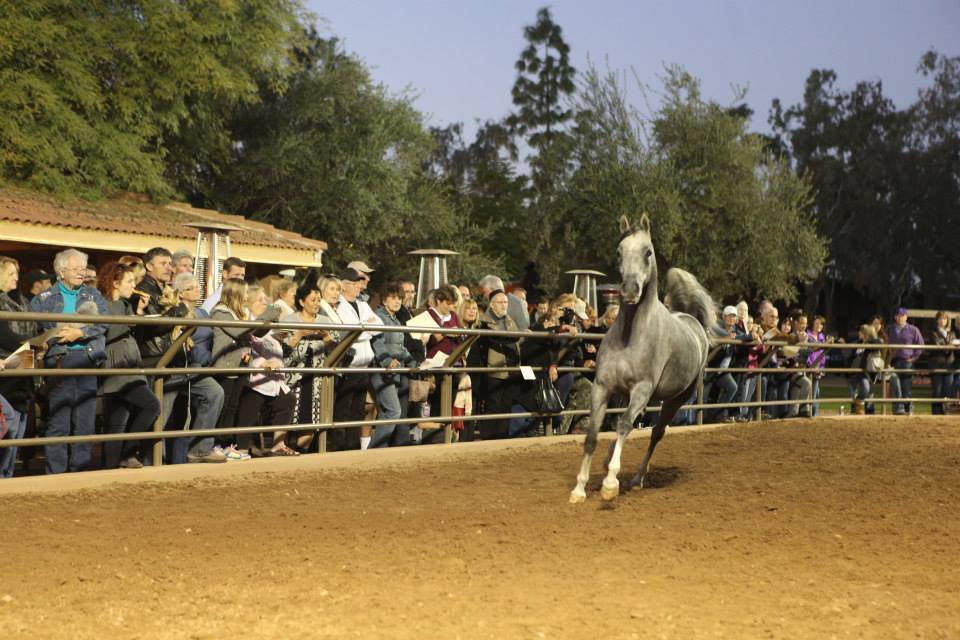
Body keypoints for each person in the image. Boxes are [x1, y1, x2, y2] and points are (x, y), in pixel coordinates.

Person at [30, 249, 109, 474]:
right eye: (75, 269)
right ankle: (55, 473)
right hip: (59, 360)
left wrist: (80, 333)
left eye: (83, 269)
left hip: (87, 358)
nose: (81, 273)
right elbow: (34, 331)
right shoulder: (43, 299)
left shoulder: (93, 295)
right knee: (59, 420)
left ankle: (80, 471)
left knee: (85, 421)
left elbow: (104, 323)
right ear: (61, 271)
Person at [96, 261, 161, 469]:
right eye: (130, 281)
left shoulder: (125, 305)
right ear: (115, 283)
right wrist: (130, 321)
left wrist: (139, 312)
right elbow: (104, 332)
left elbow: (134, 332)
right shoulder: (103, 304)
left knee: (117, 421)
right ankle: (128, 452)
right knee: (152, 405)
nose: (134, 286)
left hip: (130, 365)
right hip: (116, 366)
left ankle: (112, 464)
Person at [282, 280, 335, 453]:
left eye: (319, 300)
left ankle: (301, 452)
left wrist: (328, 340)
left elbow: (337, 349)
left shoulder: (325, 321)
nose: (317, 304)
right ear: (301, 301)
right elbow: (281, 350)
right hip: (292, 376)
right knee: (290, 415)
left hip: (316, 378)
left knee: (311, 417)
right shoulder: (289, 320)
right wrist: (298, 335)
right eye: (313, 300)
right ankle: (285, 448)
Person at [333, 268, 382, 451]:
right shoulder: (338, 305)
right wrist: (364, 328)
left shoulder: (362, 304)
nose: (358, 287)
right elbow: (349, 333)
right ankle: (339, 447)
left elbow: (378, 327)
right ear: (344, 286)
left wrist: (362, 329)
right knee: (343, 410)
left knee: (358, 410)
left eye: (358, 283)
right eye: (354, 284)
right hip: (349, 365)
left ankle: (352, 446)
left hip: (364, 365)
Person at [0, 256, 38, 477]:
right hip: (7, 363)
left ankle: (9, 474)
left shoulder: (21, 300)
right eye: (12, 273)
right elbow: (5, 335)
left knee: (21, 418)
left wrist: (34, 345)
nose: (17, 277)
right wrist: (30, 344)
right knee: (9, 421)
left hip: (24, 359)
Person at [467, 289, 521, 439]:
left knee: (506, 407)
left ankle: (502, 438)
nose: (504, 305)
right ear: (491, 305)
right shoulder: (484, 323)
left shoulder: (510, 321)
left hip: (511, 371)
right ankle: (489, 439)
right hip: (493, 372)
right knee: (493, 407)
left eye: (505, 302)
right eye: (500, 302)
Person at [369, 282, 418, 448]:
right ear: (384, 300)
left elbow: (400, 347)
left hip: (394, 371)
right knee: (393, 411)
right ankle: (374, 448)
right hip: (382, 370)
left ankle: (380, 449)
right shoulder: (378, 317)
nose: (397, 302)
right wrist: (387, 360)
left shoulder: (396, 321)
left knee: (387, 411)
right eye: (393, 298)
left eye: (400, 298)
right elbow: (377, 342)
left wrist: (412, 361)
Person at [886, 307, 923, 415]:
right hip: (893, 362)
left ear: (906, 317)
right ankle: (897, 409)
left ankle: (908, 408)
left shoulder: (913, 329)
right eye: (898, 315)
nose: (900, 317)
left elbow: (920, 345)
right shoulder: (889, 329)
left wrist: (914, 357)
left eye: (902, 315)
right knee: (895, 386)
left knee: (906, 387)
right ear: (895, 317)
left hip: (906, 362)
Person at [927, 311, 956, 415]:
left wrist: (950, 345)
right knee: (937, 391)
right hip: (936, 364)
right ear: (936, 320)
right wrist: (950, 345)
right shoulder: (932, 332)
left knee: (947, 391)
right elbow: (938, 345)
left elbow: (953, 346)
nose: (942, 320)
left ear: (947, 320)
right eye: (940, 318)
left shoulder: (952, 333)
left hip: (949, 365)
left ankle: (946, 413)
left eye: (944, 318)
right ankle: (936, 414)